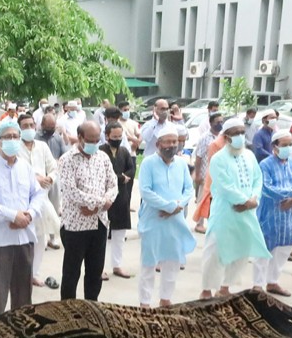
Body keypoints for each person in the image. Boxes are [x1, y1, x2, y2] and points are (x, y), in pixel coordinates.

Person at [0, 120, 47, 320]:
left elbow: (38, 194)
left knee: (23, 295)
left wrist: (29, 215)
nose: (12, 140)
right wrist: (12, 215)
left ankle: (21, 336)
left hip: (24, 238)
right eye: (7, 137)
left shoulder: (25, 167)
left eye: (15, 136)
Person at [200, 118, 271, 298]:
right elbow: (224, 185)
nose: (240, 136)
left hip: (247, 211)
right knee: (215, 251)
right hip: (225, 211)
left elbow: (258, 179)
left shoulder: (249, 155)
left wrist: (254, 199)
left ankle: (225, 287)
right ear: (226, 137)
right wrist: (244, 201)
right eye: (236, 133)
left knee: (241, 250)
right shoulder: (218, 159)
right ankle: (206, 290)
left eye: (242, 132)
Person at [137, 124, 196, 307]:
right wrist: (168, 206)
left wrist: (179, 205)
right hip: (154, 220)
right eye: (168, 142)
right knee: (149, 263)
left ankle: (165, 299)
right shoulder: (148, 163)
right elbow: (145, 191)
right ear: (158, 144)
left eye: (175, 141)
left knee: (172, 261)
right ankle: (145, 303)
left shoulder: (181, 164)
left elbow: (188, 189)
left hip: (175, 220)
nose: (172, 145)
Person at [58, 121, 118, 301]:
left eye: (97, 139)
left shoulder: (103, 158)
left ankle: (91, 308)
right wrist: (101, 202)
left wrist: (103, 203)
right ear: (80, 137)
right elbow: (71, 192)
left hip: (99, 224)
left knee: (95, 272)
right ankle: (68, 312)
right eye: (90, 139)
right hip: (75, 226)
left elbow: (113, 184)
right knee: (71, 273)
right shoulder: (67, 160)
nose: (94, 143)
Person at [254, 130, 292, 297]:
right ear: (274, 147)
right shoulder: (265, 165)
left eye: (290, 145)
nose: (288, 148)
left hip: (288, 214)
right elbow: (267, 188)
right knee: (264, 249)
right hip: (270, 213)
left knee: (284, 248)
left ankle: (272, 282)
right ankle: (257, 285)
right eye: (284, 145)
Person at [16, 113, 61, 288]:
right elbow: (16, 171)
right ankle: (22, 274)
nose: (28, 129)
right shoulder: (16, 148)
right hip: (22, 198)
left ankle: (34, 274)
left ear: (36, 127)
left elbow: (53, 167)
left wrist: (49, 178)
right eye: (25, 126)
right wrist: (36, 179)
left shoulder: (42, 147)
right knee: (24, 237)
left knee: (40, 237)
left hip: (41, 197)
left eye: (30, 125)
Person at [100, 121, 136, 281]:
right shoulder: (100, 152)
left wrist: (122, 177)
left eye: (120, 136)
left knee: (119, 235)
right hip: (104, 198)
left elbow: (132, 169)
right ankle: (98, 268)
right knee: (100, 236)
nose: (117, 139)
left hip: (122, 198)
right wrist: (121, 178)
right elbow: (105, 175)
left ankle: (117, 265)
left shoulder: (124, 151)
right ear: (107, 136)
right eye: (114, 136)